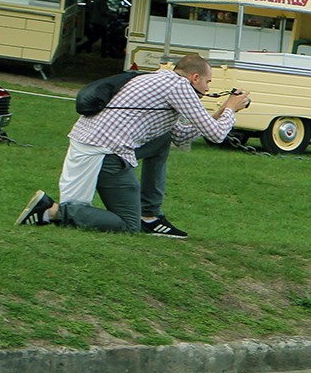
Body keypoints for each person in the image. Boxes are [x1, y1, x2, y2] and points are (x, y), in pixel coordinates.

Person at [14, 53, 249, 236]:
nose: (208, 89)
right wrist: (231, 109)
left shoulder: (159, 79)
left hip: (91, 143)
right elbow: (217, 136)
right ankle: (52, 211)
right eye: (208, 82)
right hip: (106, 153)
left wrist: (220, 111)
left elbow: (180, 136)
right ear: (194, 78)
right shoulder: (179, 87)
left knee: (163, 140)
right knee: (128, 225)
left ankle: (150, 215)